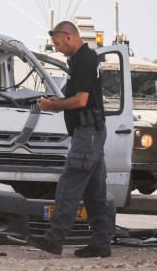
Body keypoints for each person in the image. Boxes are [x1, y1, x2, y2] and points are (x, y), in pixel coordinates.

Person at [26, 21, 113, 258]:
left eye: (57, 43)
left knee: (69, 183)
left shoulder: (84, 60)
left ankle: (54, 239)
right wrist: (55, 101)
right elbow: (77, 96)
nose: (56, 48)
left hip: (88, 133)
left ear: (69, 37)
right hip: (92, 131)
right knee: (95, 192)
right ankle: (101, 244)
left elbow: (80, 101)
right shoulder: (85, 59)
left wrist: (53, 106)